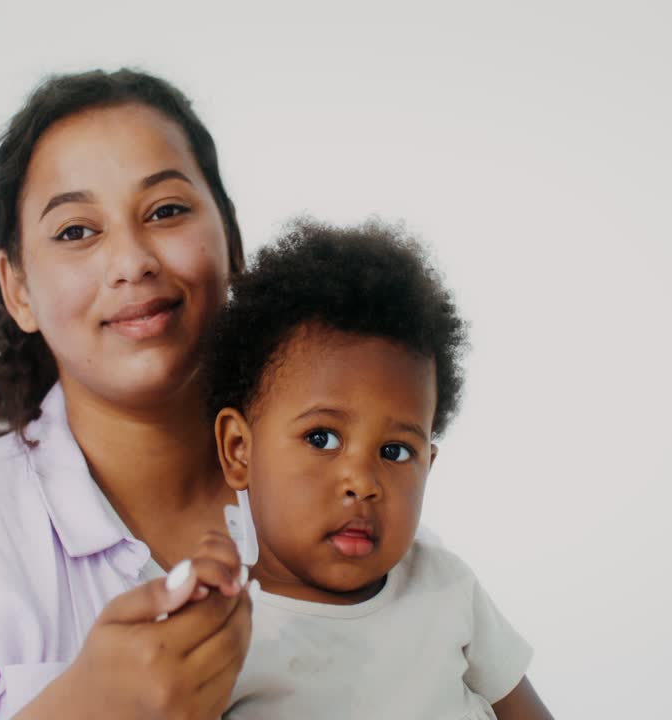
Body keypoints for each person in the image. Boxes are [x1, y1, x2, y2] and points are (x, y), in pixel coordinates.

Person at [0, 69, 253, 719]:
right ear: (19, 288)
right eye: (76, 231)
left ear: (231, 238)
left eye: (166, 211)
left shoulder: (343, 485)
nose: (132, 260)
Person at [200, 219, 555, 718]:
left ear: (428, 465)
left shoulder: (445, 585)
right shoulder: (224, 640)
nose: (363, 483)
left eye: (395, 452)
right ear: (239, 449)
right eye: (321, 438)